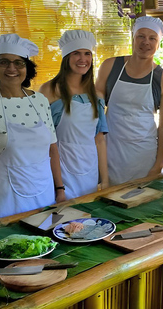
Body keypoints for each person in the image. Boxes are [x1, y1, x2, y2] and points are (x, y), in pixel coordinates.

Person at [0, 34, 62, 224]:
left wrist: (59, 190)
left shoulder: (39, 101)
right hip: (2, 202)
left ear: (27, 68)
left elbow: (52, 149)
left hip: (43, 197)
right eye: (4, 62)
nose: (11, 69)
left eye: (19, 63)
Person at [96, 16, 163, 186]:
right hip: (111, 151)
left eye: (152, 38)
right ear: (133, 37)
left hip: (144, 156)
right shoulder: (110, 66)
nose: (146, 42)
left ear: (158, 43)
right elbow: (96, 111)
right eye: (141, 36)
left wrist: (158, 164)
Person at [39, 30, 108, 200]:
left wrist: (105, 180)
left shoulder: (97, 95)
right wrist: (58, 187)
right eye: (76, 53)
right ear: (66, 58)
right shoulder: (49, 91)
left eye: (87, 54)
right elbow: (45, 143)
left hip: (89, 172)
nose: (82, 59)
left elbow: (99, 140)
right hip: (60, 172)